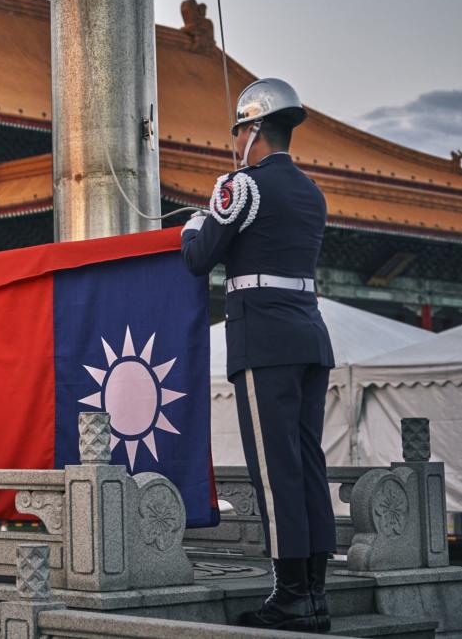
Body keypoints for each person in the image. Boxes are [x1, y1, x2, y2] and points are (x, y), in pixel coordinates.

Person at [181, 78, 335, 633]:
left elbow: (200, 259)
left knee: (274, 470)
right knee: (307, 463)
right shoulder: (311, 191)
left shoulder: (239, 186)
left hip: (263, 340)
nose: (236, 140)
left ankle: (291, 593)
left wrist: (197, 222)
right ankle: (315, 591)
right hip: (309, 336)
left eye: (240, 130)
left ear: (254, 130)